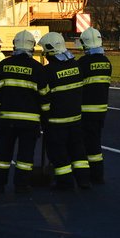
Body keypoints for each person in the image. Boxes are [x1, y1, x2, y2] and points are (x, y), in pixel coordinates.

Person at [0, 30, 47, 193]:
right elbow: (44, 96)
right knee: (25, 155)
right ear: (32, 47)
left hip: (6, 119)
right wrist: (45, 119)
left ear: (15, 45)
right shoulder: (38, 68)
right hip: (30, 122)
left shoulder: (3, 65)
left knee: (3, 153)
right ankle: (21, 185)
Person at [39, 31, 91, 190]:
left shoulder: (48, 71)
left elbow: (44, 97)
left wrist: (44, 118)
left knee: (58, 153)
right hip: (75, 118)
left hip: (56, 121)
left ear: (50, 50)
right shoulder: (76, 66)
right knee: (78, 152)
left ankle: (65, 182)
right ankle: (84, 180)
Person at [78, 27, 112, 184]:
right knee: (96, 145)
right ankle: (97, 176)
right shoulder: (106, 62)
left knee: (84, 146)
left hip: (84, 111)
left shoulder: (83, 63)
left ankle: (86, 177)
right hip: (101, 111)